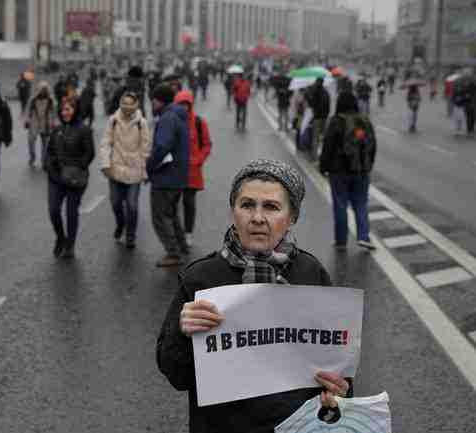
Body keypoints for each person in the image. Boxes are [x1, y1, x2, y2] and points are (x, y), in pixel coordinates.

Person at [157, 159, 354, 433]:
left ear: (292, 217)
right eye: (247, 205)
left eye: (271, 207)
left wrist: (339, 392)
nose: (257, 218)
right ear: (233, 211)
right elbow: (176, 375)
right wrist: (182, 333)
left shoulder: (311, 275)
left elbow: (336, 365)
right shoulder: (202, 279)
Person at [320, 91, 377, 251]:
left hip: (339, 171)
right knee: (361, 204)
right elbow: (373, 146)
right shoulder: (364, 121)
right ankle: (364, 237)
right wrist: (368, 165)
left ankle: (341, 241)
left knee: (340, 205)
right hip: (361, 171)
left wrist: (323, 167)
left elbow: (328, 147)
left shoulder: (337, 121)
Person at [98, 92, 151, 249]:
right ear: (120, 103)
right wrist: (105, 164)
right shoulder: (113, 120)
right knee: (115, 203)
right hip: (115, 169)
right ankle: (120, 224)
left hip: (134, 171)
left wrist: (144, 170)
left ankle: (130, 235)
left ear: (136, 105)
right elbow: (105, 143)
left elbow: (145, 148)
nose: (127, 107)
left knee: (132, 205)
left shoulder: (141, 123)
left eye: (130, 104)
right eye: (124, 103)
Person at [146, 84, 190, 267]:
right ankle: (181, 246)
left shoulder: (167, 118)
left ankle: (173, 253)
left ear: (159, 100)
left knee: (160, 217)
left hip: (165, 176)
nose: (152, 104)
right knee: (171, 214)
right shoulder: (178, 115)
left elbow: (162, 146)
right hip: (178, 176)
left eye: (153, 100)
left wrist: (149, 165)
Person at [45, 99, 95, 259]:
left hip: (75, 179)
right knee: (53, 211)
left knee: (71, 212)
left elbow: (89, 153)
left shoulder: (84, 129)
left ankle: (70, 245)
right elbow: (50, 151)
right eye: (62, 110)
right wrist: (50, 166)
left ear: (75, 110)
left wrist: (78, 167)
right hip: (56, 177)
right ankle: (60, 238)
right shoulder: (57, 129)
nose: (65, 113)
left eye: (68, 109)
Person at [174, 90, 212, 248]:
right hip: (174, 171)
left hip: (192, 172)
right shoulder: (172, 122)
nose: (184, 107)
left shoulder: (198, 122)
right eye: (180, 104)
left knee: (189, 203)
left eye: (186, 104)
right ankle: (177, 234)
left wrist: (198, 160)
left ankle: (188, 233)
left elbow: (207, 144)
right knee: (172, 205)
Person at [25, 81, 55, 168]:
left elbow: (54, 112)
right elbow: (27, 110)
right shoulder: (33, 100)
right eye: (41, 89)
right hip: (34, 123)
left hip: (46, 124)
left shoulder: (51, 100)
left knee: (45, 144)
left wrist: (54, 122)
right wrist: (27, 120)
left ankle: (44, 161)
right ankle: (32, 157)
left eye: (45, 89)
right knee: (31, 142)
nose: (43, 91)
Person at [305, 78, 331, 161]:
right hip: (324, 118)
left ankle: (314, 156)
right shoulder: (326, 92)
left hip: (317, 117)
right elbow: (328, 106)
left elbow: (311, 104)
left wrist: (308, 95)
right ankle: (323, 155)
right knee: (323, 137)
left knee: (315, 138)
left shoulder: (314, 92)